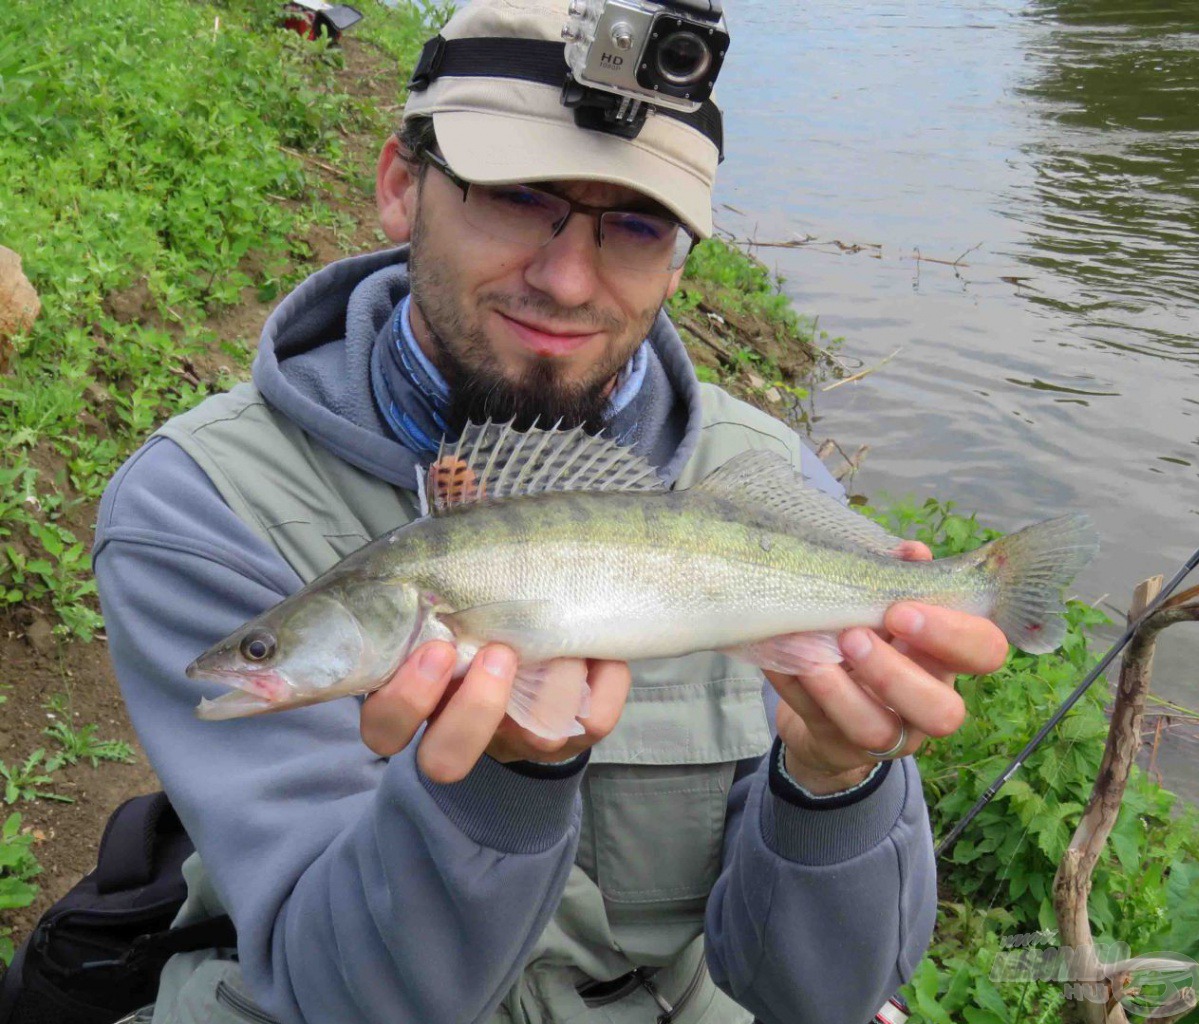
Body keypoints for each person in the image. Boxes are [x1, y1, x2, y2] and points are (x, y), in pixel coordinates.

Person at [93, 1, 1008, 1022]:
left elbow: (819, 995)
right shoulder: (200, 504)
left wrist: (835, 783)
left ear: (680, 259)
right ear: (401, 185)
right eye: (516, 196)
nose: (565, 277)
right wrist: (490, 791)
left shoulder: (769, 481)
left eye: (634, 225)